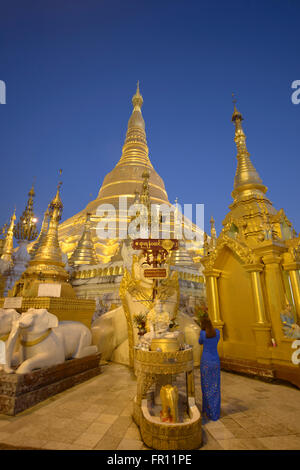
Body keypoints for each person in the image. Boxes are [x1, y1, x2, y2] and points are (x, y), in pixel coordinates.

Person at [199, 313, 221, 421]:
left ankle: (207, 410)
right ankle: (215, 413)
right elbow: (216, 339)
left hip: (206, 362)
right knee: (215, 387)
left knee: (206, 386)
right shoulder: (217, 332)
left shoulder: (202, 334)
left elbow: (200, 342)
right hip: (215, 361)